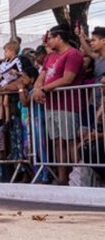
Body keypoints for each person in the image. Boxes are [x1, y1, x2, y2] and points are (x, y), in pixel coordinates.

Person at [32, 24, 85, 185]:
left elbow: (67, 79)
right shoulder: (51, 56)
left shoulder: (73, 54)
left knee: (69, 140)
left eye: (50, 38)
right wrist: (37, 88)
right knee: (57, 141)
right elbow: (42, 74)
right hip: (51, 105)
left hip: (67, 104)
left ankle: (79, 175)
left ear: (59, 38)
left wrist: (44, 89)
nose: (47, 41)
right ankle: (62, 177)